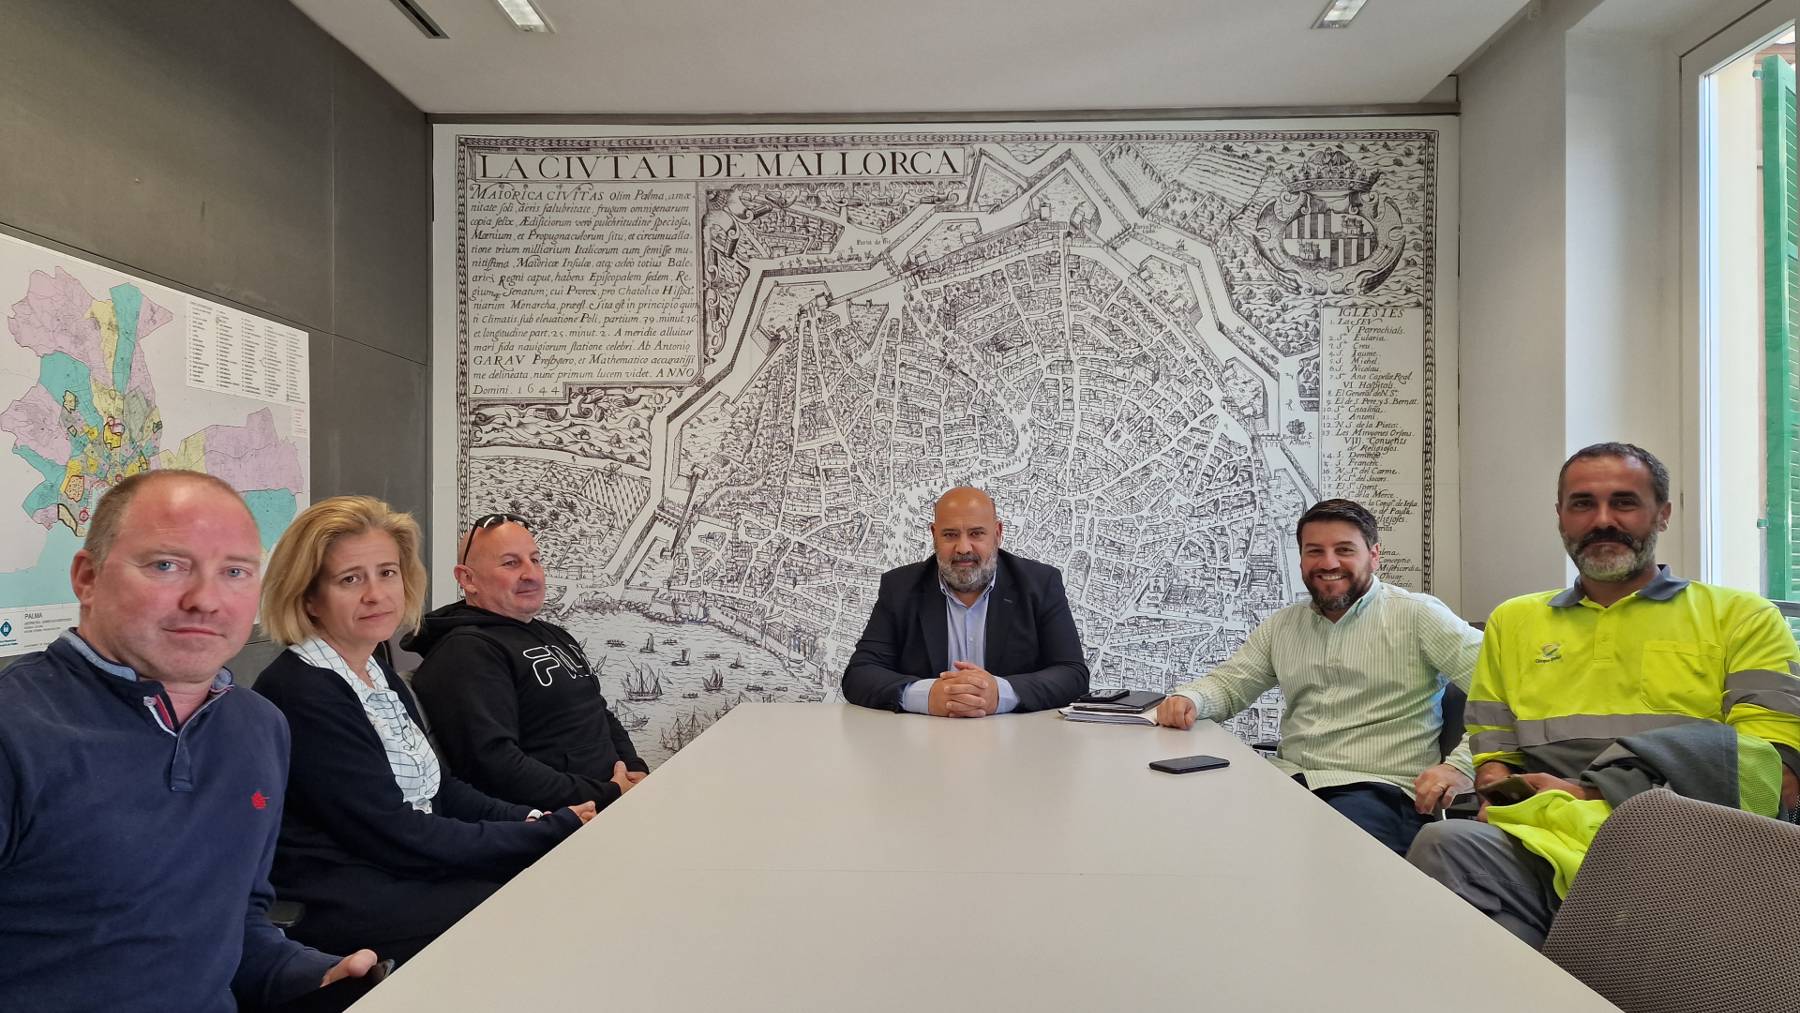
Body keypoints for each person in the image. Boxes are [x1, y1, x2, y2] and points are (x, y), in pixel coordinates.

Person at [0, 471, 378, 1012]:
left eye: (235, 572)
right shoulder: (16, 730)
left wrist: (306, 972)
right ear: (86, 578)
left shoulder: (259, 727)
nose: (206, 600)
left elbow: (236, 922)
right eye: (166, 565)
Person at [1408, 442, 1800, 947]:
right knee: (1444, 846)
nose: (1602, 519)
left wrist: (1590, 795)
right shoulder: (1514, 621)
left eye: (1625, 502)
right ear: (1560, 518)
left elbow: (1777, 772)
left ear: (1663, 514)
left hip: (1679, 842)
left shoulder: (1742, 617)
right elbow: (1494, 749)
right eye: (1582, 504)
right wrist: (1499, 789)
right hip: (1540, 838)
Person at [253, 497, 593, 987]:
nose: (376, 594)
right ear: (309, 597)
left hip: (402, 866)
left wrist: (529, 818)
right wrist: (540, 834)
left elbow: (443, 791)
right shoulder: (303, 689)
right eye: (350, 579)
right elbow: (395, 834)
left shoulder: (378, 672)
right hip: (346, 890)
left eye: (387, 573)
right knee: (534, 905)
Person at [1154, 499, 1483, 854]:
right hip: (1288, 781)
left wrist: (1459, 767)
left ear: (1374, 556)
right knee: (1190, 834)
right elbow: (1231, 683)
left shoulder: (1418, 616)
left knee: (1310, 866)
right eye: (1315, 551)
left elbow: (1505, 689)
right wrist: (1191, 699)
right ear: (1301, 560)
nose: (1328, 563)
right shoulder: (1284, 625)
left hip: (1379, 792)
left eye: (1344, 550)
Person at [405, 513, 647, 811]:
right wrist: (606, 793)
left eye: (535, 559)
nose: (531, 574)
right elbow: (494, 766)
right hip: (562, 823)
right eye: (511, 563)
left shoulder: (555, 635)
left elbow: (599, 712)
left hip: (614, 804)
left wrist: (635, 772)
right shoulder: (464, 653)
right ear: (467, 579)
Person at [842, 486, 1089, 715]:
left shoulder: (1040, 583)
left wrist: (1000, 693)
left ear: (998, 533)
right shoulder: (900, 588)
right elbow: (859, 675)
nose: (963, 547)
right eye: (950, 535)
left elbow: (1072, 674)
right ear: (934, 535)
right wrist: (927, 695)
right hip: (923, 746)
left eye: (976, 533)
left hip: (1017, 745)